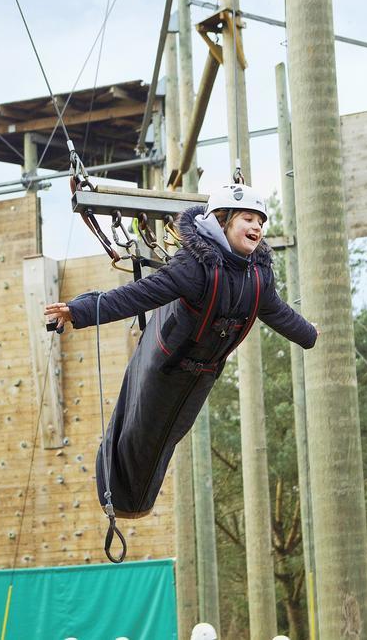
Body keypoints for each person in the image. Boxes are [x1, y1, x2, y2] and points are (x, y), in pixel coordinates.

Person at [45, 184, 317, 518]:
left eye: (261, 221)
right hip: (165, 362)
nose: (257, 227)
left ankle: (133, 501)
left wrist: (309, 334)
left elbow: (277, 311)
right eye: (248, 219)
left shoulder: (258, 276)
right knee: (138, 430)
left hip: (200, 372)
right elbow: (138, 295)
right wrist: (79, 311)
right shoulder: (194, 267)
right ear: (223, 221)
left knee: (166, 436)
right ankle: (116, 495)